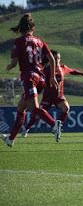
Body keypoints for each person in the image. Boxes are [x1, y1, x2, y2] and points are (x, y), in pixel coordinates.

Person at [2, 13, 61, 147]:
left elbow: (15, 61)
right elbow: (51, 59)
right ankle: (11, 139)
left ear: (21, 29)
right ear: (32, 28)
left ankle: (53, 124)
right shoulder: (40, 41)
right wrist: (52, 77)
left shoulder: (19, 41)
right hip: (41, 79)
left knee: (34, 108)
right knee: (21, 108)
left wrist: (9, 66)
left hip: (29, 77)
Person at [22, 50, 83, 137]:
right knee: (37, 116)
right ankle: (26, 128)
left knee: (66, 108)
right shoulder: (46, 70)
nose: (57, 60)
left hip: (59, 96)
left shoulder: (62, 68)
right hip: (48, 97)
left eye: (58, 58)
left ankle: (57, 127)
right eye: (54, 58)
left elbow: (72, 71)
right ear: (50, 59)